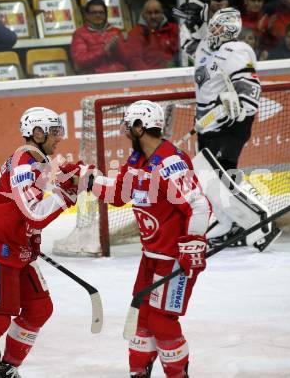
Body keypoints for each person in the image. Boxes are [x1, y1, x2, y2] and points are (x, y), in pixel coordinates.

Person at [0, 107, 89, 377]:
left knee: (39, 307)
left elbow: (28, 218)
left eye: (59, 131)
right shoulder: (24, 163)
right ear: (36, 133)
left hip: (15, 250)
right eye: (54, 132)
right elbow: (34, 214)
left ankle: (6, 370)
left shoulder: (36, 162)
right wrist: (66, 195)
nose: (59, 137)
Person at [91, 100, 211, 378]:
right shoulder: (138, 160)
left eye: (127, 125)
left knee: (161, 321)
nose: (123, 130)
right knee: (142, 319)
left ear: (139, 127)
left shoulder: (170, 163)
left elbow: (199, 206)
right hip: (151, 256)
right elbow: (119, 194)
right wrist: (86, 182)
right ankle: (139, 372)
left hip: (173, 258)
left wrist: (193, 243)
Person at [178, 0, 281, 249]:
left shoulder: (237, 50)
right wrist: (190, 22)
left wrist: (233, 110)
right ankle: (229, 224)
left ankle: (262, 223)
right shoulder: (203, 47)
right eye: (212, 26)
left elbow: (249, 91)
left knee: (222, 176)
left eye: (219, 29)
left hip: (231, 125)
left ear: (231, 32)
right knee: (210, 177)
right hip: (206, 124)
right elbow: (186, 42)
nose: (213, 31)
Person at [70, 0, 128, 74]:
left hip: (118, 74)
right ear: (87, 15)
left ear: (106, 14)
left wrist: (119, 48)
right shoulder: (79, 34)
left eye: (101, 12)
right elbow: (80, 61)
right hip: (94, 77)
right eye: (94, 13)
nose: (98, 15)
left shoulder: (116, 31)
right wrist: (104, 50)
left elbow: (127, 59)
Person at [127, 0, 179, 70]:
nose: (153, 16)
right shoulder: (135, 33)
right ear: (143, 14)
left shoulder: (174, 29)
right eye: (149, 13)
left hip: (175, 74)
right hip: (149, 77)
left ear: (162, 13)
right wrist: (151, 76)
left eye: (157, 12)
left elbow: (183, 53)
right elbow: (134, 60)